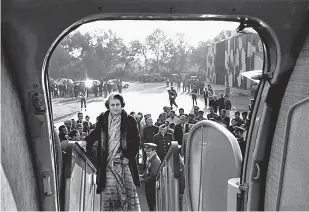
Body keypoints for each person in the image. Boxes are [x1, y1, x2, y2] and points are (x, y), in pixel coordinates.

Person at [85, 93, 141, 211]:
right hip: (107, 162)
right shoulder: (103, 118)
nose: (115, 107)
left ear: (122, 105)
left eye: (117, 105)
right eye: (113, 105)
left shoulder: (129, 120)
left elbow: (136, 141)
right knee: (109, 192)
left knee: (126, 191)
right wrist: (86, 142)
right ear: (108, 106)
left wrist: (129, 157)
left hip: (124, 162)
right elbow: (96, 133)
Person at [142, 143, 161, 211]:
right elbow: (147, 169)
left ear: (154, 151)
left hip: (152, 186)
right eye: (146, 151)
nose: (147, 153)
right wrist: (143, 176)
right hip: (149, 185)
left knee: (152, 204)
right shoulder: (150, 158)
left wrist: (144, 180)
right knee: (150, 203)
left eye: (149, 151)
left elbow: (153, 175)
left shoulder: (155, 161)